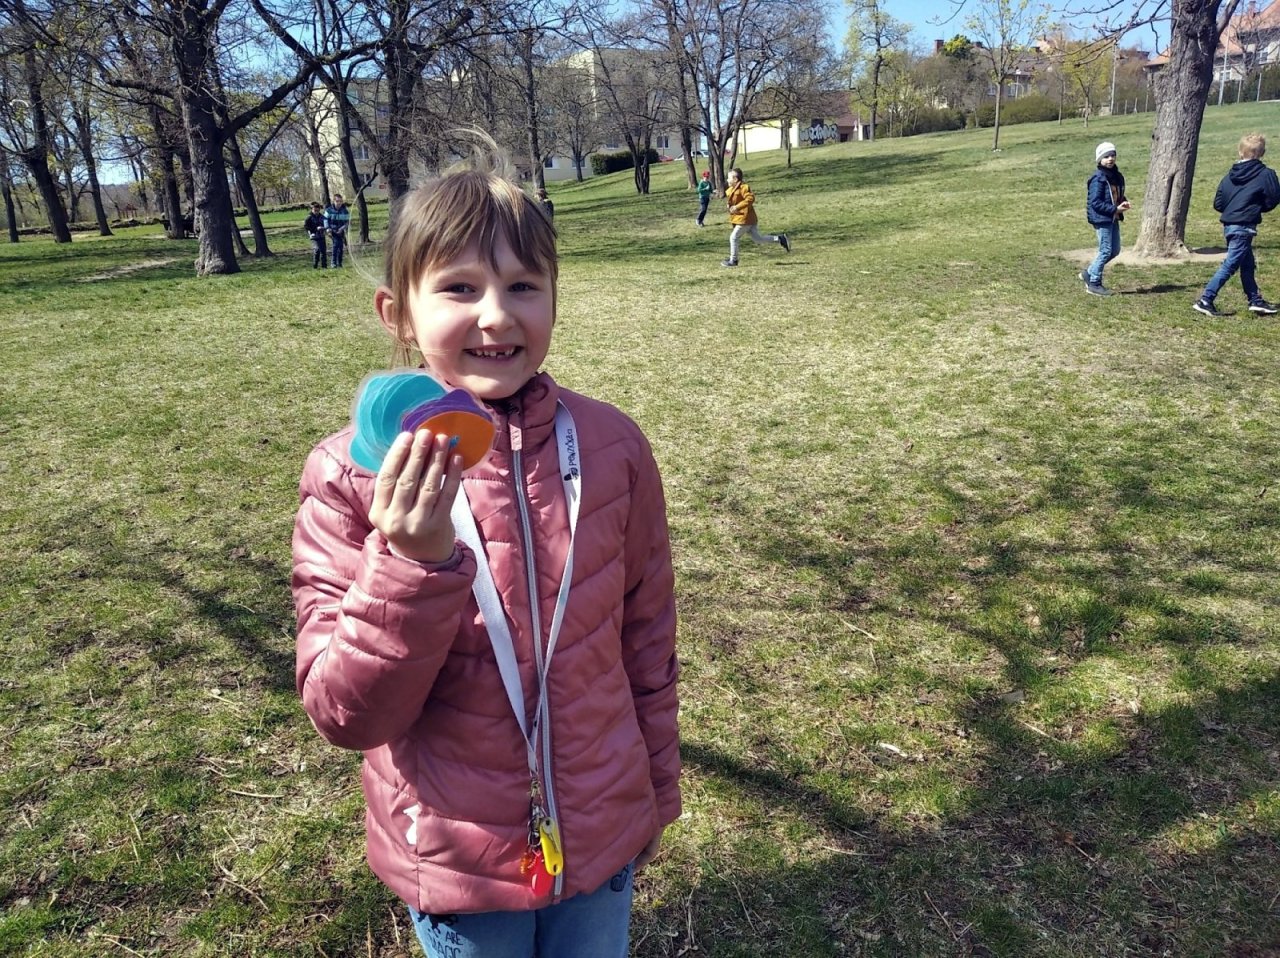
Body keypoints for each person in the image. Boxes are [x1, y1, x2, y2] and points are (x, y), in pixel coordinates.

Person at [291, 141, 680, 958]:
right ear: (397, 313)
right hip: (457, 859)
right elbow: (346, 714)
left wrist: (653, 795)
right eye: (460, 288)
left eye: (524, 286)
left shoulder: (611, 447)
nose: (498, 316)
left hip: (602, 827)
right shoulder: (349, 476)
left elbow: (648, 640)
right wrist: (410, 565)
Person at [1193, 132, 1280, 317]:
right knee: (1231, 264)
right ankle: (1206, 299)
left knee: (1247, 264)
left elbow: (1218, 203)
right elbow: (1273, 198)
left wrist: (1233, 209)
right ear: (1262, 153)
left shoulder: (1229, 176)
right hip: (1244, 227)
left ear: (1240, 152)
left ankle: (1255, 300)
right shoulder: (1266, 174)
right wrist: (1256, 208)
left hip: (1230, 225)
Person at [1080, 141, 1131, 296]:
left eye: (1112, 155)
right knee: (1105, 250)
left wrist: (1122, 202)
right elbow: (1095, 202)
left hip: (1113, 217)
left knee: (1114, 250)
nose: (1110, 159)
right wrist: (1115, 209)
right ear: (1099, 159)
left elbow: (1116, 194)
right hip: (1102, 218)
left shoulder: (1117, 176)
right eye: (1106, 156)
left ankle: (1089, 272)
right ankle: (1094, 283)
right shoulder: (1098, 178)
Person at [721, 167, 789, 267]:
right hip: (748, 219)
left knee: (733, 237)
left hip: (745, 219)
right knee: (758, 239)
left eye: (729, 178)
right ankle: (780, 238)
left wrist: (737, 207)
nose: (727, 180)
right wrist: (730, 206)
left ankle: (733, 260)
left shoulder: (744, 187)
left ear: (735, 179)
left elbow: (750, 198)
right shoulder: (732, 189)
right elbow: (735, 200)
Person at [326, 192, 351, 268]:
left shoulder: (344, 211)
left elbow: (347, 222)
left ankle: (339, 263)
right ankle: (333, 263)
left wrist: (342, 229)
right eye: (337, 201)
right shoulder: (329, 210)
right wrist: (328, 229)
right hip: (332, 231)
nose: (339, 203)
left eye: (340, 201)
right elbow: (325, 220)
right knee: (336, 245)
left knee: (340, 247)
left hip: (341, 231)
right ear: (334, 201)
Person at [305, 201, 328, 269]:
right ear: (312, 209)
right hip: (314, 236)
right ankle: (315, 265)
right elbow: (306, 227)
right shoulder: (309, 217)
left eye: (318, 211)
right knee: (317, 250)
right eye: (315, 210)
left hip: (321, 236)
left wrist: (323, 228)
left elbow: (326, 225)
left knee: (323, 251)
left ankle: (324, 266)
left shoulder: (322, 217)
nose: (316, 212)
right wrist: (314, 230)